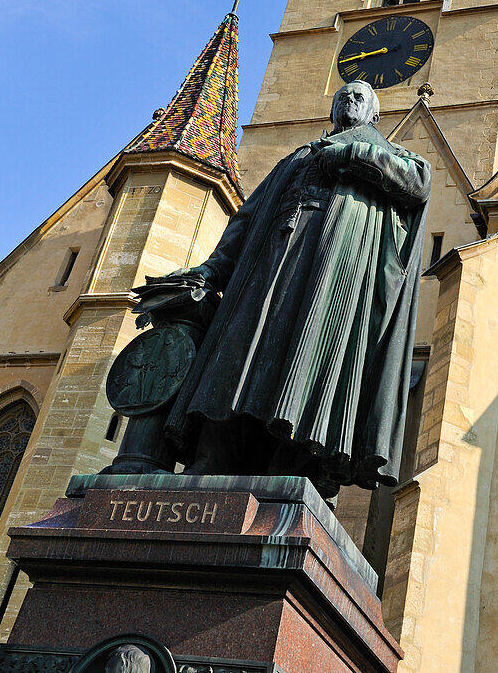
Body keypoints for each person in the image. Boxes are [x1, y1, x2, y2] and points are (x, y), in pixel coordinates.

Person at [149, 81, 430, 500]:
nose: (348, 101)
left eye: (359, 97)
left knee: (312, 364)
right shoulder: (297, 158)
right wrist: (213, 268)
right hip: (265, 272)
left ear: (374, 115)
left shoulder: (390, 154)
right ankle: (213, 457)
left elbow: (419, 181)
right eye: (342, 95)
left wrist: (353, 155)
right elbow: (245, 220)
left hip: (333, 275)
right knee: (238, 359)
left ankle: (293, 469)